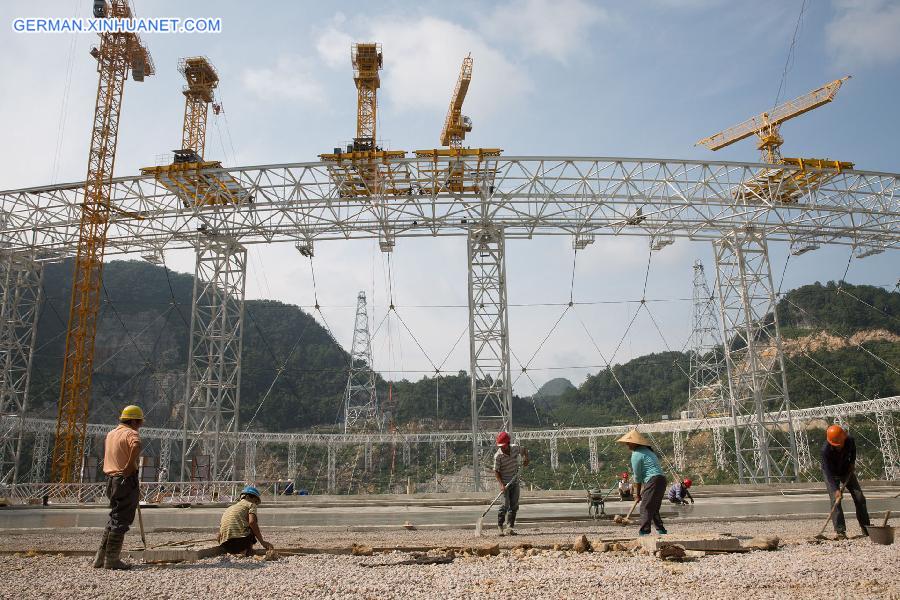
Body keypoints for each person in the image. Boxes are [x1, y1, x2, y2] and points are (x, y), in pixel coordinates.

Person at [92, 405, 144, 570]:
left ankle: (100, 558)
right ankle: (112, 560)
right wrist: (129, 466)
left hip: (111, 479)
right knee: (121, 520)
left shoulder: (111, 434)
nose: (140, 425)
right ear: (134, 421)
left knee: (114, 517)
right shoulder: (131, 433)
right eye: (140, 422)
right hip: (125, 480)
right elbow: (136, 445)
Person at [821, 424, 871, 538]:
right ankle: (840, 531)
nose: (839, 447)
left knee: (860, 498)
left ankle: (866, 528)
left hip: (846, 469)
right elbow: (827, 472)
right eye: (836, 445)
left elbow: (853, 450)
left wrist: (852, 462)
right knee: (836, 500)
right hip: (831, 474)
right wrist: (835, 489)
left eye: (840, 444)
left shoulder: (849, 440)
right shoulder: (825, 450)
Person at [616, 429, 667, 536]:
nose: (627, 444)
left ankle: (644, 531)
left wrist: (637, 494)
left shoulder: (636, 454)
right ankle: (661, 530)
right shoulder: (648, 451)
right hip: (661, 479)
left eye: (628, 442)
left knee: (645, 506)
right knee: (653, 507)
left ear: (634, 443)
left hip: (652, 480)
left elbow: (637, 477)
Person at [218, 486, 274, 555]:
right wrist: (262, 542)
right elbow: (252, 522)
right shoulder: (251, 505)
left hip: (226, 546)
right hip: (241, 544)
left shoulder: (230, 508)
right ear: (248, 497)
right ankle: (247, 550)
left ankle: (237, 551)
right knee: (253, 525)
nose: (256, 503)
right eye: (256, 501)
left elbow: (220, 533)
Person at [493, 431, 530, 536]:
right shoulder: (498, 456)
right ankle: (500, 527)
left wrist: (526, 458)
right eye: (500, 446)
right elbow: (496, 471)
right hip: (504, 483)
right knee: (504, 504)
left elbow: (524, 450)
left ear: (508, 443)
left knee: (514, 505)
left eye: (503, 446)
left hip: (514, 481)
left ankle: (510, 527)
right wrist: (501, 484)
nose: (502, 448)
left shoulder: (515, 448)